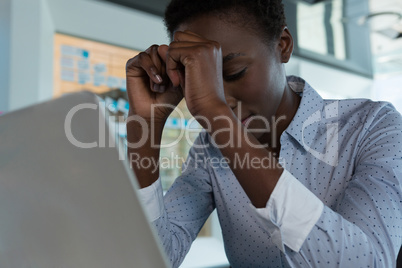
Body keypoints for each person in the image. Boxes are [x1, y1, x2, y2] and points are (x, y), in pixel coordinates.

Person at [125, 0, 402, 267]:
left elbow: (368, 263)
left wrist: (217, 116)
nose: (221, 101)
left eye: (234, 72)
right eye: (202, 81)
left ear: (283, 46)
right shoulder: (211, 149)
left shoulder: (374, 127)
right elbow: (150, 259)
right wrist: (145, 126)